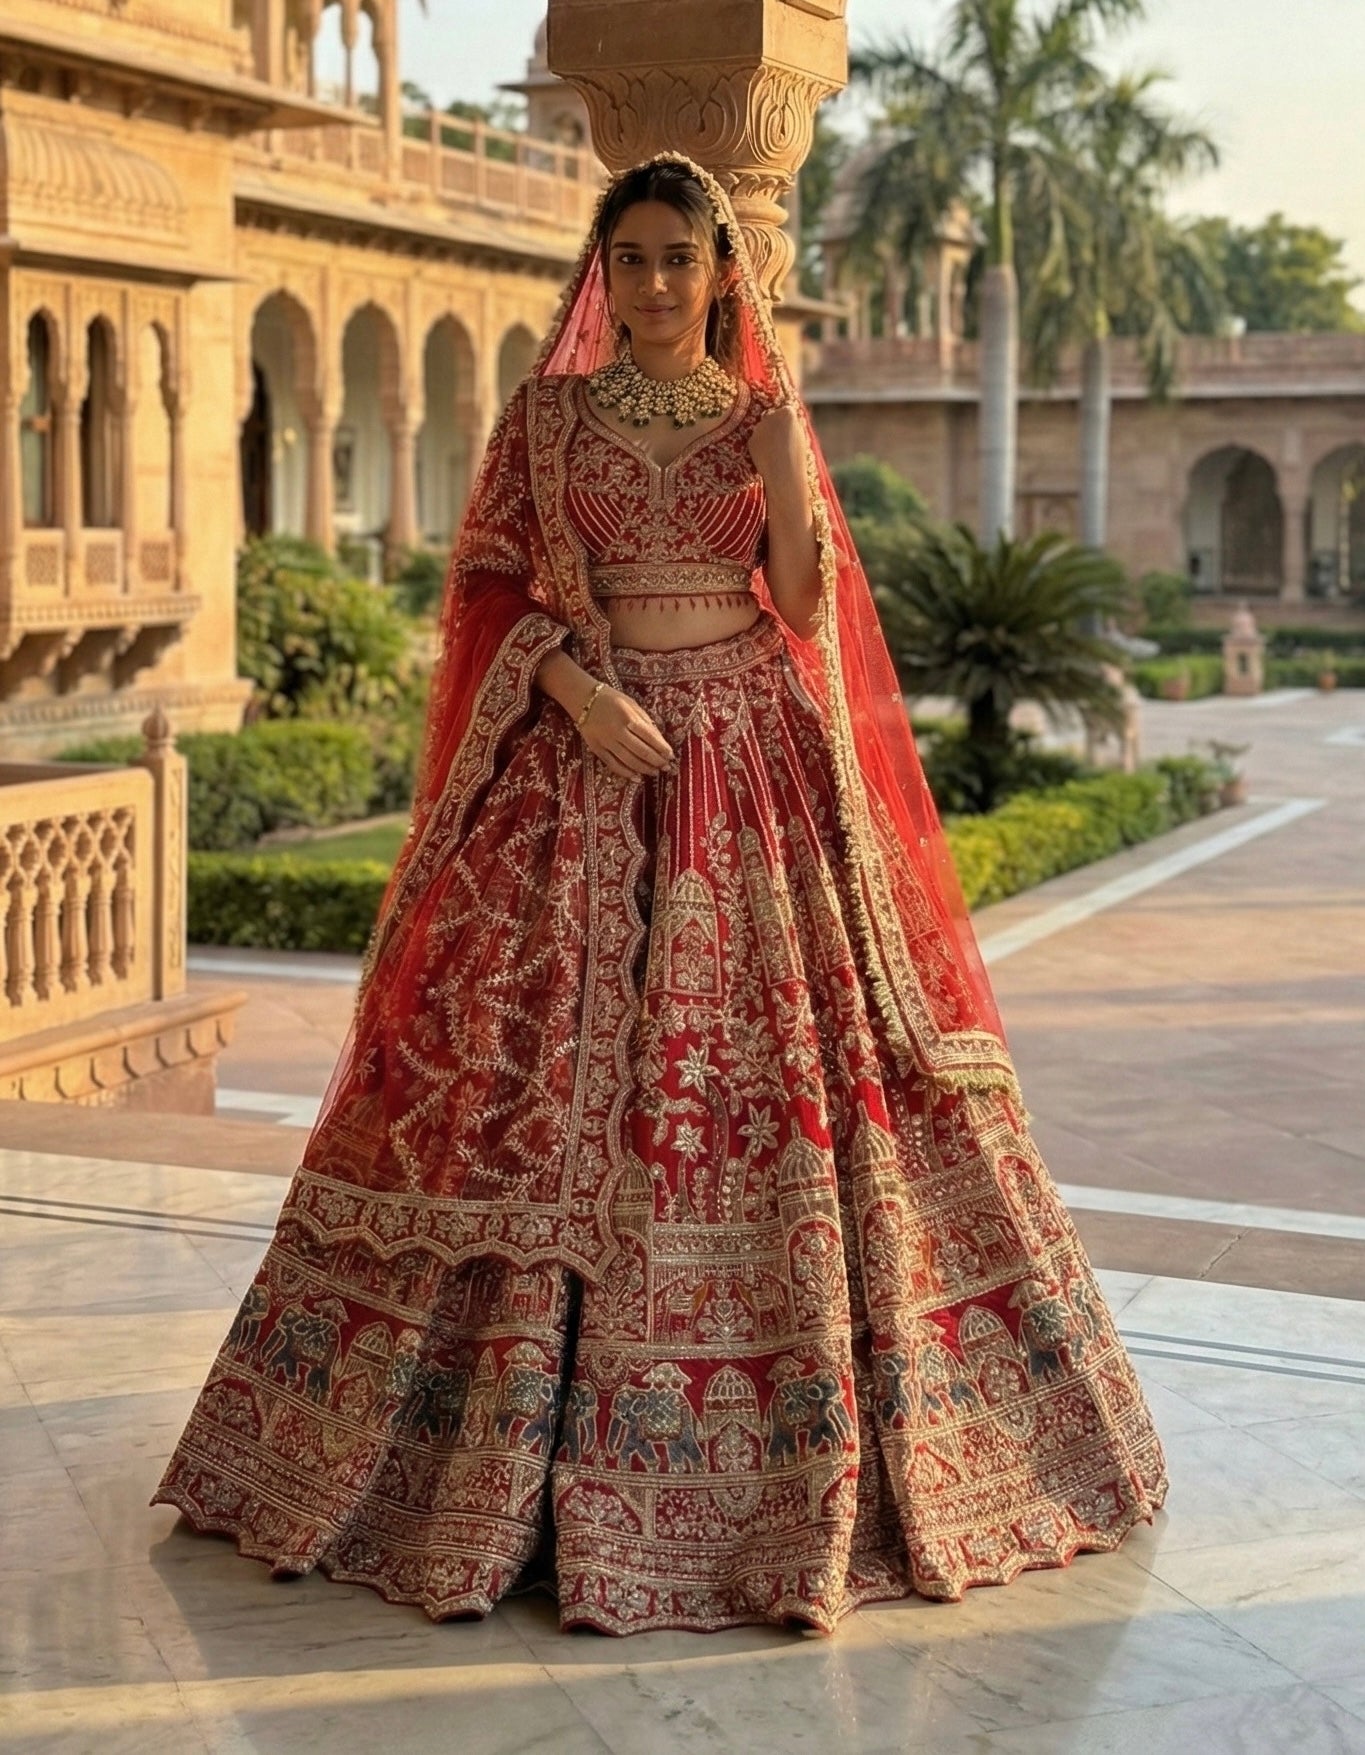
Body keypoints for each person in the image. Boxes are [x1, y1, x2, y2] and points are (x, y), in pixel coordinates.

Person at [154, 154, 1168, 1636]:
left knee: (781, 1075)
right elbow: (489, 584)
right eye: (624, 258)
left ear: (717, 272)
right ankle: (460, 1469)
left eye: (674, 259)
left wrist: (782, 460)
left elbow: (809, 608)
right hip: (582, 753)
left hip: (749, 760)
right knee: (512, 1073)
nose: (647, 284)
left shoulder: (764, 414)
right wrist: (565, 684)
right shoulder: (544, 417)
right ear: (600, 269)